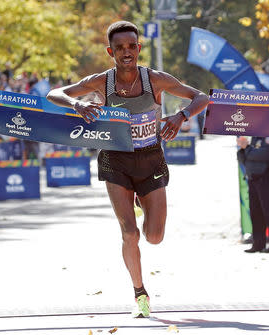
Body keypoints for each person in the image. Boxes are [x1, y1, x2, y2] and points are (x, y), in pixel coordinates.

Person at [46, 21, 209, 318]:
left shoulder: (155, 80)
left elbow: (202, 97)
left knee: (155, 236)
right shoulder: (101, 82)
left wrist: (181, 115)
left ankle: (141, 200)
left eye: (131, 46)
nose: (126, 52)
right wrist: (76, 105)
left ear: (138, 48)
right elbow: (54, 93)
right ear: (111, 51)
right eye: (119, 48)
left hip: (150, 160)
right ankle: (140, 292)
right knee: (129, 233)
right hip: (116, 160)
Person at [237, 136, 269, 253]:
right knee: (256, 213)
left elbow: (262, 155)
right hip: (252, 179)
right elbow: (243, 159)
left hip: (265, 179)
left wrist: (247, 148)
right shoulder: (252, 139)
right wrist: (242, 148)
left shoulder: (268, 138)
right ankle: (258, 243)